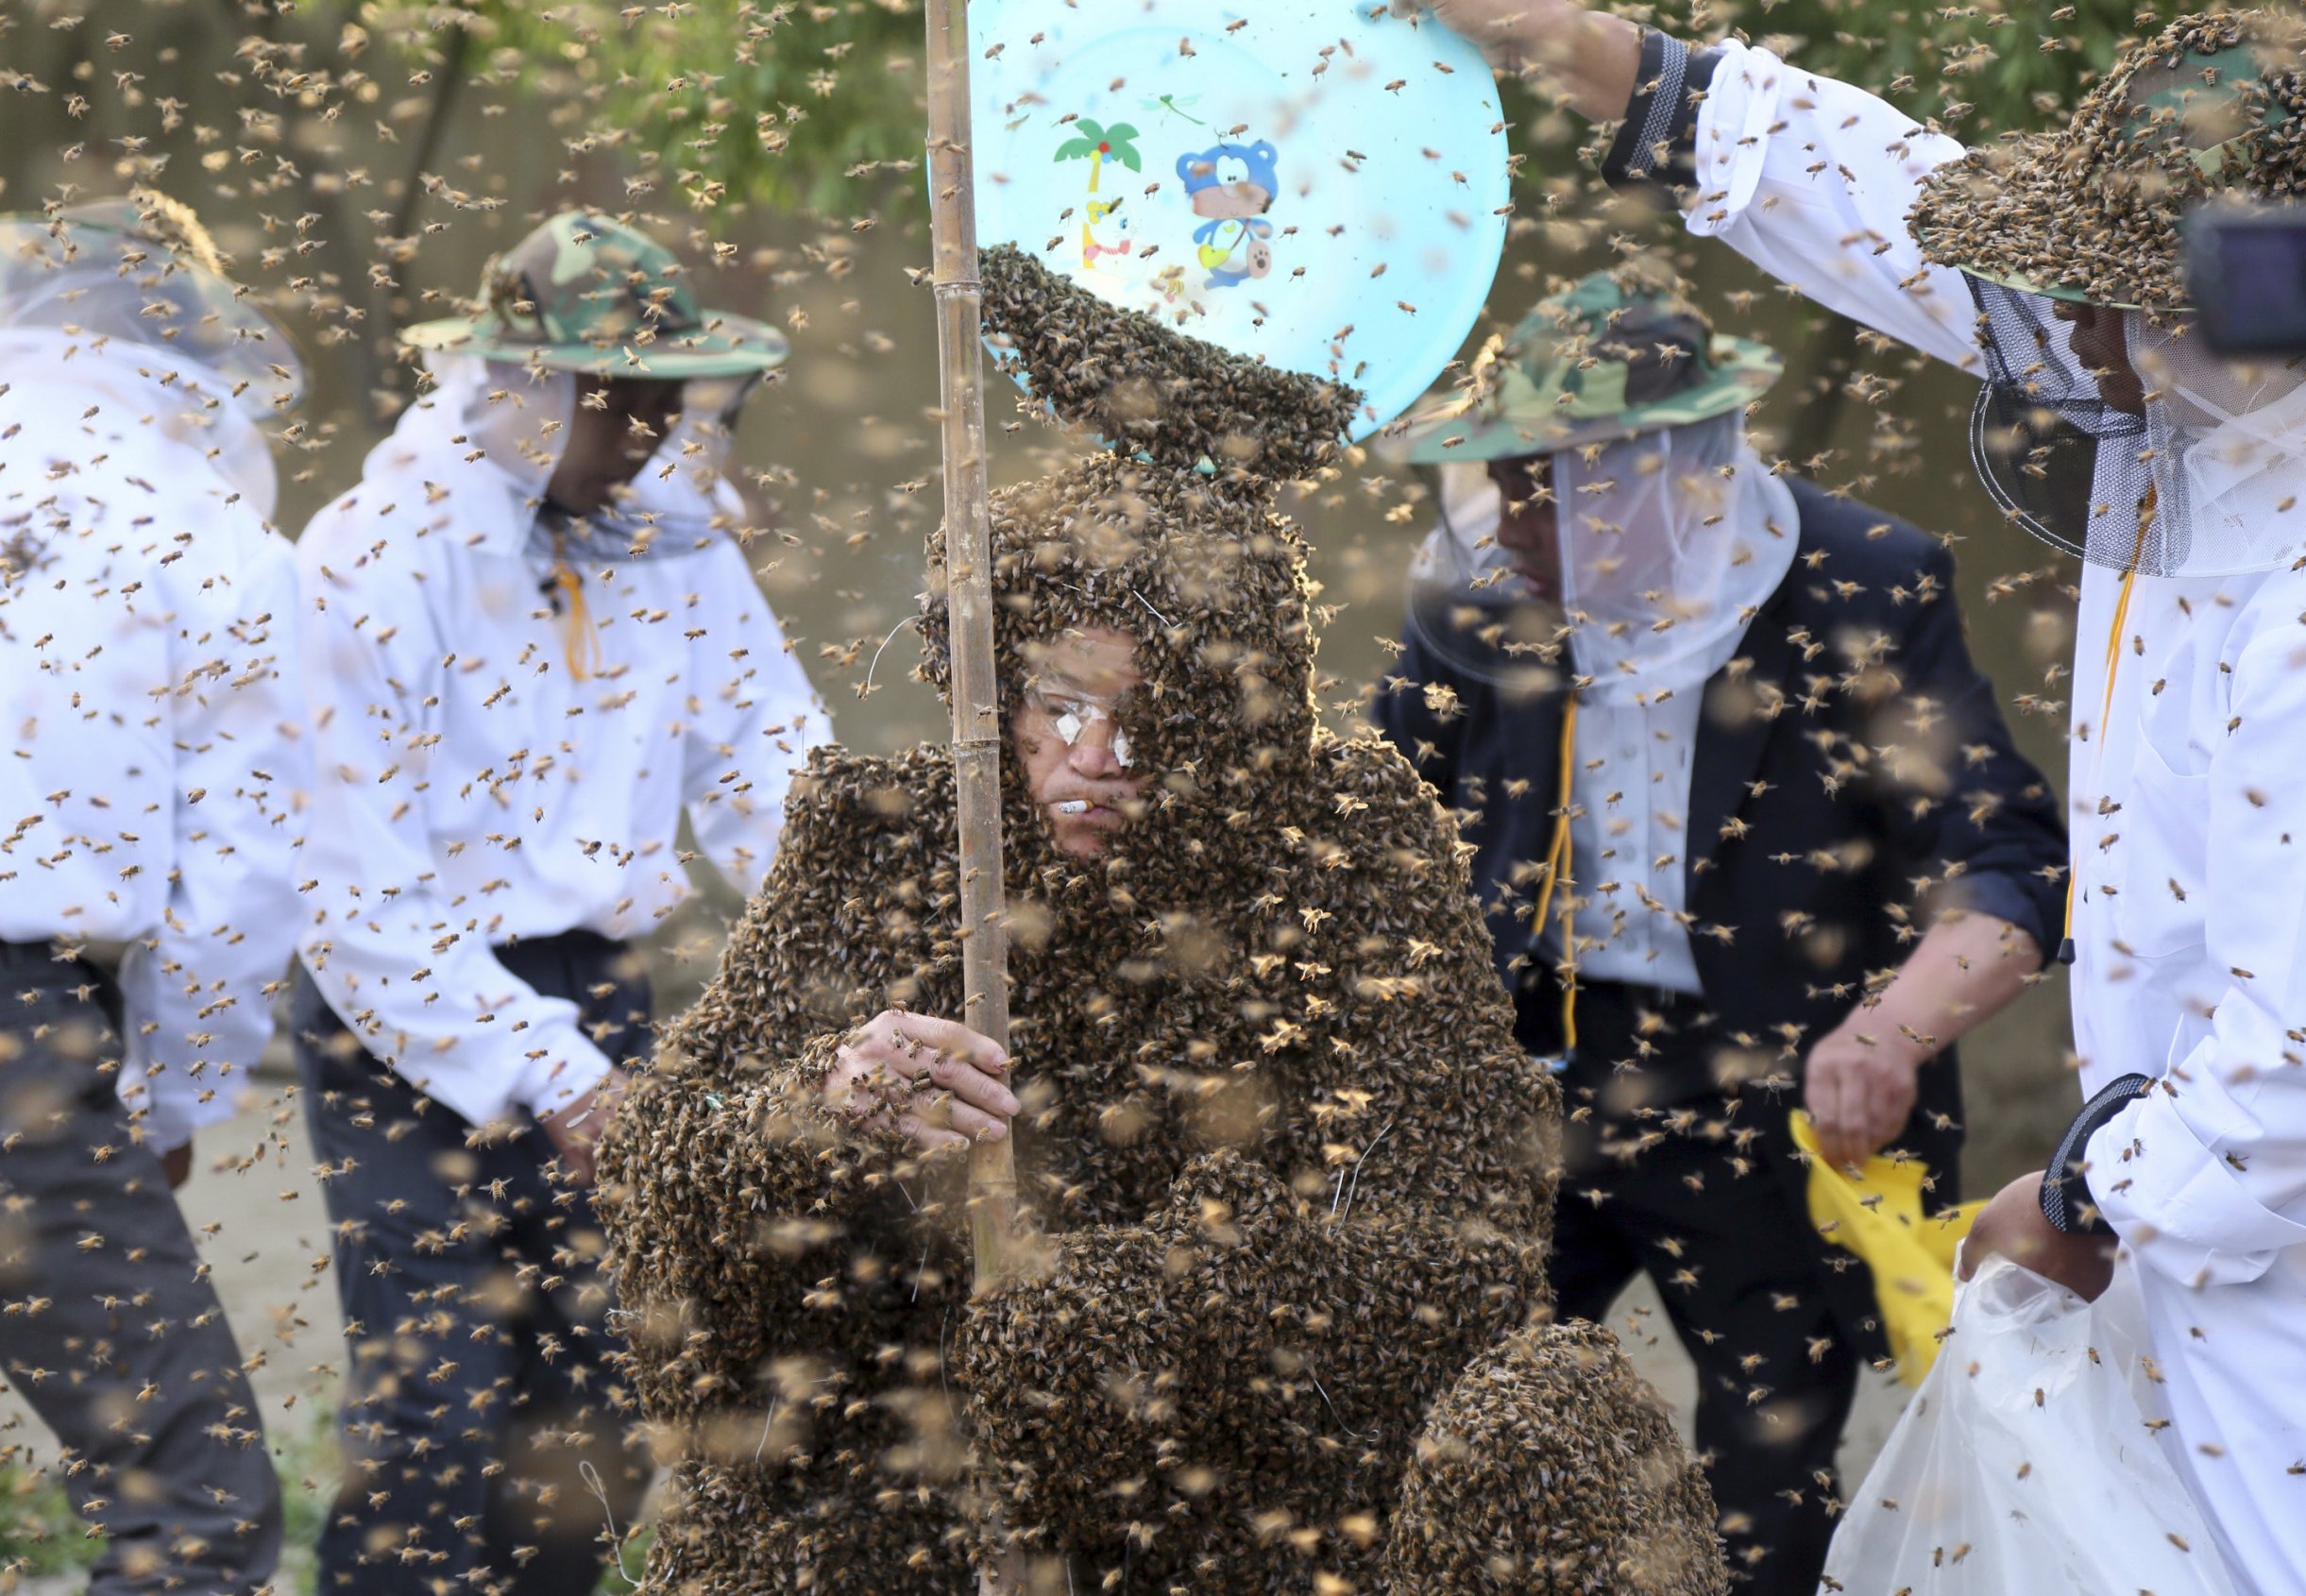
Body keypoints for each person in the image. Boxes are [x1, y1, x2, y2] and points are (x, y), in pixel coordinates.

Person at [595, 246, 1729, 1596]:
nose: (1097, 756)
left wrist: (1119, 1321)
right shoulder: (881, 840)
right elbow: (670, 1172)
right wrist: (817, 1115)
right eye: (1059, 705)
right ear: (992, 683)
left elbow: (1451, 1252)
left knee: (1559, 1419)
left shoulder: (1348, 845)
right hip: (909, 1498)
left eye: (1158, 716)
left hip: (1244, 1508)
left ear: (1241, 712)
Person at [1401, 4, 2306, 1592]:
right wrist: (1562, 37)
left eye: (2118, 300)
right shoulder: (2205, 373)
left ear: (2254, 299)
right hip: (1646, 1127)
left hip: (2301, 1326)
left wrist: (2073, 1188)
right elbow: (1884, 200)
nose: (2077, 343)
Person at [1368, 267, 2067, 1591]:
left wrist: (1891, 1029)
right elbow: (1369, 812)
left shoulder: (1868, 585)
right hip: (1520, 1078)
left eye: (1541, 483)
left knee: (1763, 1507)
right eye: (1501, 478)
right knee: (1420, 1449)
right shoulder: (1483, 589)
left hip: (1771, 1094)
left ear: (1662, 478)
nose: (1510, 520)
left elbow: (2008, 858)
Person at [289, 210, 830, 1595]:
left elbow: (774, 767)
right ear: (526, 387)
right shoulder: (371, 559)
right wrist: (562, 1080)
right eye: (623, 400)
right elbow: (355, 892)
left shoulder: (680, 544)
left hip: (597, 984)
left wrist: (852, 950)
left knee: (595, 1399)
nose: (653, 430)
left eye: (669, 397)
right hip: (401, 1019)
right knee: (435, 1402)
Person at [0, 194, 304, 1592]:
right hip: (15, 1019)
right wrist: (171, 1106)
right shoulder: (212, 536)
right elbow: (235, 894)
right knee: (191, 1498)